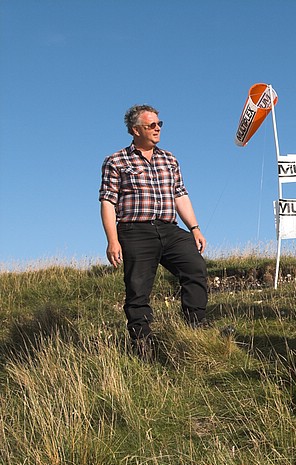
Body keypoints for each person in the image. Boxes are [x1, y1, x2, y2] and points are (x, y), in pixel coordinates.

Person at [99, 104, 209, 355]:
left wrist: (194, 228)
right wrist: (112, 240)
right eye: (152, 125)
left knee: (195, 268)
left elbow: (180, 194)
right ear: (135, 130)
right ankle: (142, 343)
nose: (158, 128)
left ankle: (196, 327)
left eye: (160, 124)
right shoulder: (116, 160)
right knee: (138, 288)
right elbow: (108, 201)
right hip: (134, 230)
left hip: (169, 229)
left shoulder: (169, 159)